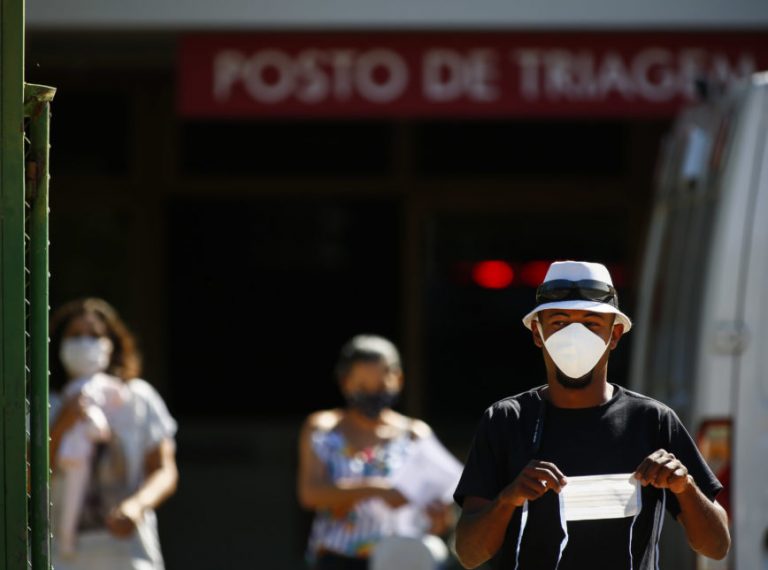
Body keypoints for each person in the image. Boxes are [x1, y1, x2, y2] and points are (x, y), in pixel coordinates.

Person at [453, 260, 730, 570]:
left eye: (591, 323)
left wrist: (686, 487)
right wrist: (508, 499)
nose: (575, 336)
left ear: (614, 335)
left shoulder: (651, 420)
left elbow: (716, 546)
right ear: (537, 332)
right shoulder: (507, 420)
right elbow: (469, 553)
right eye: (558, 322)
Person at [297, 334, 462, 570]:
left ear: (399, 380)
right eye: (363, 386)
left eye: (382, 385)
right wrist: (379, 490)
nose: (373, 394)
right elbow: (310, 494)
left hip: (398, 559)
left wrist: (438, 519)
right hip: (337, 559)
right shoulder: (323, 428)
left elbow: (440, 507)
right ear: (345, 382)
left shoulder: (415, 434)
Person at [49, 297, 179, 570]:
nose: (85, 343)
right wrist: (61, 424)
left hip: (128, 556)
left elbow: (165, 470)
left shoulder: (138, 398)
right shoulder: (45, 406)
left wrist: (136, 506)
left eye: (94, 336)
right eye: (75, 336)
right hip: (59, 559)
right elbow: (26, 479)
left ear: (112, 344)